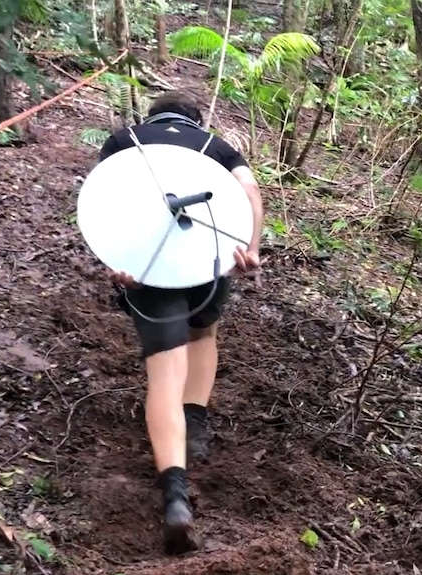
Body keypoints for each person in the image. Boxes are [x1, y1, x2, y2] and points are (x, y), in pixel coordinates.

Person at [93, 92, 264, 554]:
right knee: (204, 332)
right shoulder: (218, 146)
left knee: (164, 373)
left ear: (151, 116)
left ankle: (174, 496)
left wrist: (115, 262)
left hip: (146, 267)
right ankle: (196, 426)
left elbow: (103, 201)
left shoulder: (123, 141)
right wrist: (250, 248)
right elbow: (249, 191)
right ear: (195, 118)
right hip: (208, 257)